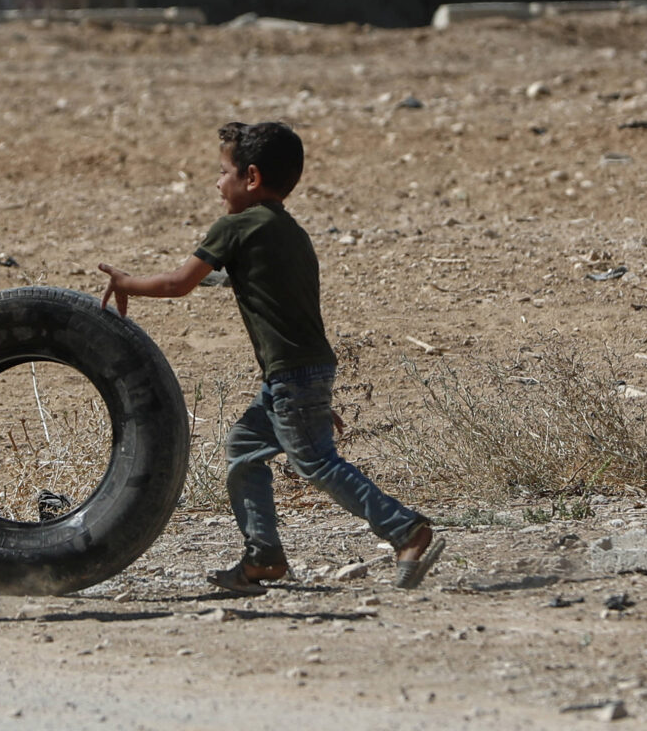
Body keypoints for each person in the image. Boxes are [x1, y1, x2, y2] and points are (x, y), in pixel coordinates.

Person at [97, 119, 442, 593]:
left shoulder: (235, 228)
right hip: (301, 372)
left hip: (291, 376)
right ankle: (263, 557)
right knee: (243, 448)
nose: (217, 184)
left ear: (251, 177)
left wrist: (126, 282)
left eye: (223, 172)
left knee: (316, 462)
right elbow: (266, 295)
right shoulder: (289, 232)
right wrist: (311, 394)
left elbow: (179, 283)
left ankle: (405, 530)